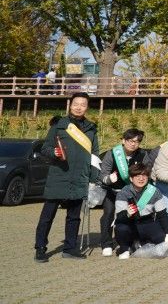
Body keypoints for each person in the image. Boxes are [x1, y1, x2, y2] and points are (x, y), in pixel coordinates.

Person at [34, 92, 99, 262]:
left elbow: (95, 154)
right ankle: (40, 248)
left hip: (79, 178)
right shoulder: (59, 125)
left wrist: (93, 178)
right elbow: (45, 148)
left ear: (87, 107)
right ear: (70, 105)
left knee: (74, 216)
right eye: (76, 103)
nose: (79, 107)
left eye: (83, 104)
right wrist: (54, 152)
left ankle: (70, 248)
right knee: (48, 215)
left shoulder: (91, 129)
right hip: (59, 176)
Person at [99, 128, 148, 257]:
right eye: (130, 141)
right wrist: (109, 179)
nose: (133, 144)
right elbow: (103, 174)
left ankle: (133, 241)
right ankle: (107, 244)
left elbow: (148, 172)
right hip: (113, 191)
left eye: (137, 142)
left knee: (135, 215)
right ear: (123, 140)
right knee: (108, 214)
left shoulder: (142, 154)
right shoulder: (112, 153)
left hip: (132, 193)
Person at [114, 163, 168, 259]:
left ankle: (141, 243)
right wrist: (127, 213)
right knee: (121, 229)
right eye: (137, 176)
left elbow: (162, 215)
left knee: (162, 239)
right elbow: (119, 218)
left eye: (144, 175)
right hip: (130, 223)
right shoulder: (124, 192)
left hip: (147, 222)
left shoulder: (154, 191)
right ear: (131, 179)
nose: (141, 179)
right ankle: (124, 248)